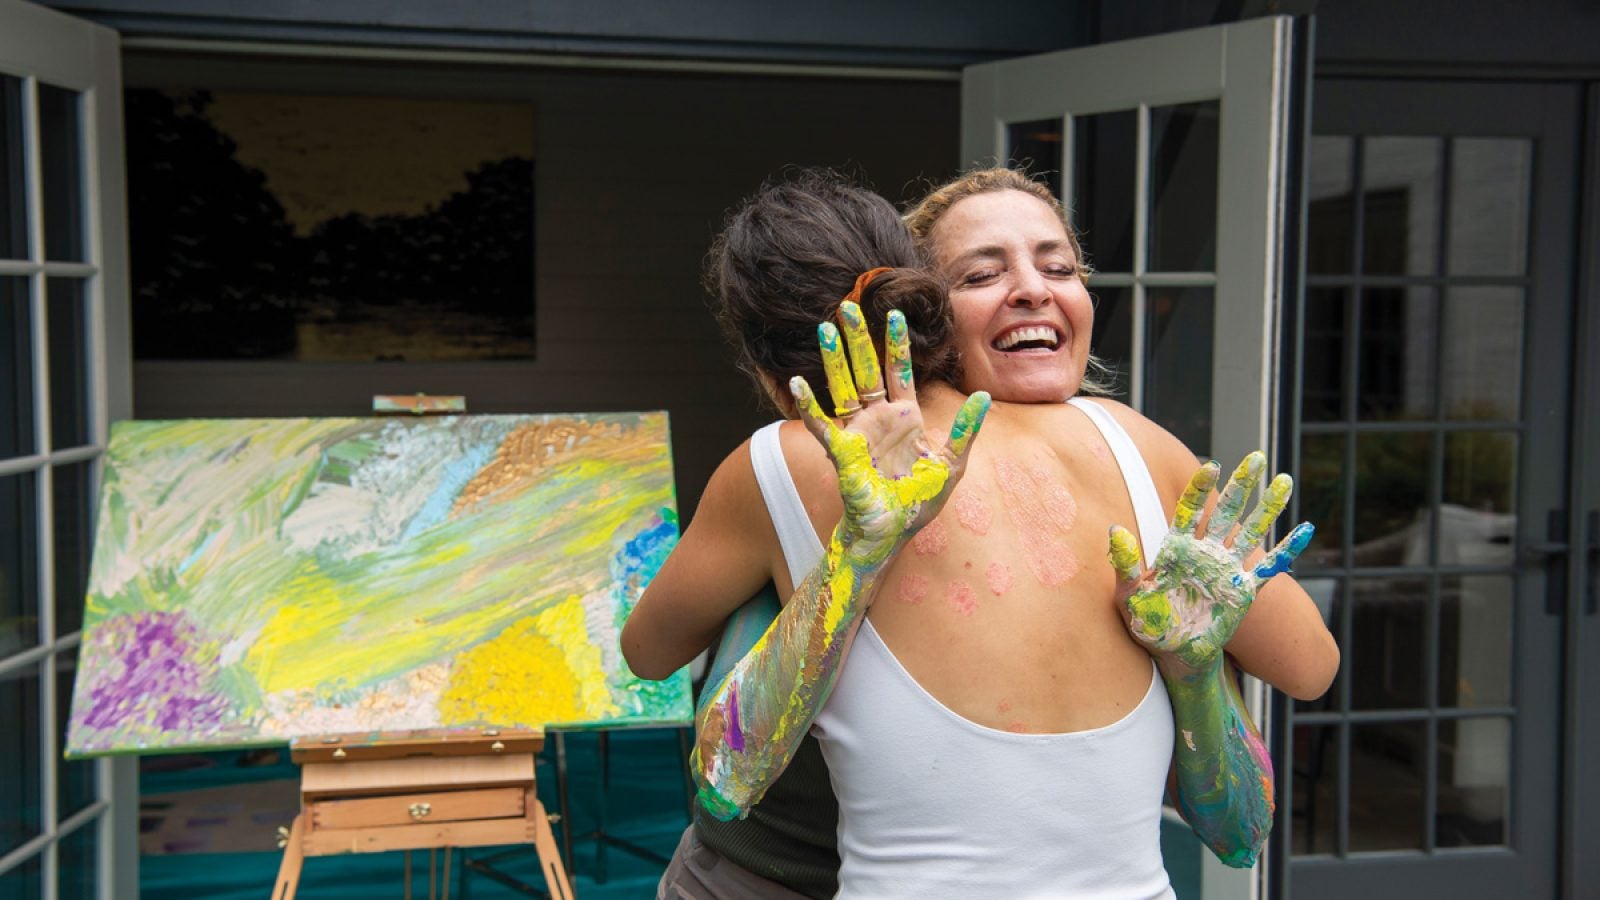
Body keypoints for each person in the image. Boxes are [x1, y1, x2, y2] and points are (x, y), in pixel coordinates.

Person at [623, 168, 1337, 898]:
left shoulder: (1134, 450)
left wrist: (1196, 663)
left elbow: (655, 665)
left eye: (1060, 266)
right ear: (926, 314)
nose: (1033, 289)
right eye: (981, 275)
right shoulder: (1134, 443)